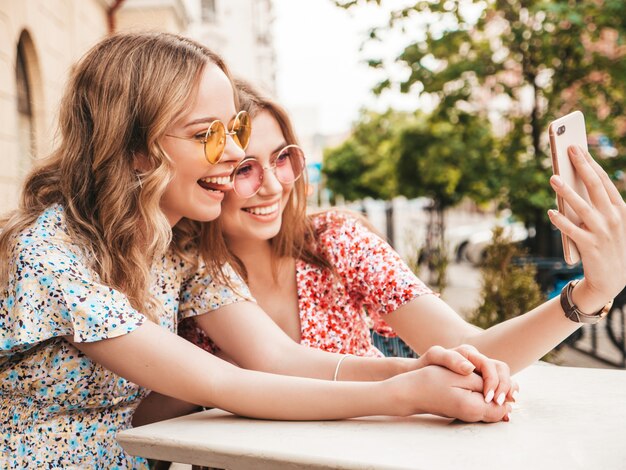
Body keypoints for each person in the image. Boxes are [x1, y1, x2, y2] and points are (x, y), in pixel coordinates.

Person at [0, 32, 514, 469]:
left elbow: (275, 357)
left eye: (234, 128)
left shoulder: (179, 244)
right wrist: (406, 396)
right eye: (206, 134)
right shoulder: (52, 252)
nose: (234, 152)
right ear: (133, 149)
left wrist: (416, 368)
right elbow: (223, 382)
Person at [174, 79, 625, 397]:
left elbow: (468, 348)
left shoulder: (335, 240)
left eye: (282, 159)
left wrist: (590, 293)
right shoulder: (182, 268)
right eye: (244, 169)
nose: (273, 185)